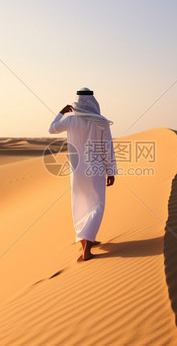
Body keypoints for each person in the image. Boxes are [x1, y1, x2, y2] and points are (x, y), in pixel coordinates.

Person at [48, 87, 117, 261]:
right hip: (96, 170)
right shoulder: (101, 122)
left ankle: (86, 240)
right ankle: (87, 246)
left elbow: (51, 129)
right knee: (97, 205)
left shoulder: (70, 120)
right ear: (93, 101)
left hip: (77, 171)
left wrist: (60, 113)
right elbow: (107, 148)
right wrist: (111, 171)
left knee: (81, 204)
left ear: (77, 102)